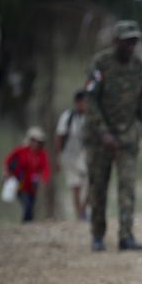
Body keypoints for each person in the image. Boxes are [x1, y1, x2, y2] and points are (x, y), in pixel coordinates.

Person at [84, 19, 142, 252]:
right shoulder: (100, 63)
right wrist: (103, 132)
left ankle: (126, 235)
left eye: (134, 42)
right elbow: (91, 101)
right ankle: (97, 235)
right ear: (116, 42)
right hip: (100, 139)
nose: (131, 46)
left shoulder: (137, 65)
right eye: (127, 41)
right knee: (98, 188)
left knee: (127, 186)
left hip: (128, 135)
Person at [5, 127, 50, 223]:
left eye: (38, 142)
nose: (36, 144)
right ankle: (25, 224)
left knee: (31, 205)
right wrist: (8, 172)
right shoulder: (21, 150)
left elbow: (45, 168)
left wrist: (45, 179)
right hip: (20, 184)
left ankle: (28, 224)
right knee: (27, 205)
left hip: (33, 186)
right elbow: (8, 160)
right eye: (34, 140)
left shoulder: (42, 154)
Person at [55, 90, 89, 220]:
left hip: (84, 154)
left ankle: (83, 209)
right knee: (75, 186)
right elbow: (59, 137)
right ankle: (79, 215)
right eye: (81, 103)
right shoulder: (67, 117)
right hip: (69, 155)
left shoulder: (90, 117)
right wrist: (58, 158)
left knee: (91, 183)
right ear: (76, 103)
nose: (83, 105)